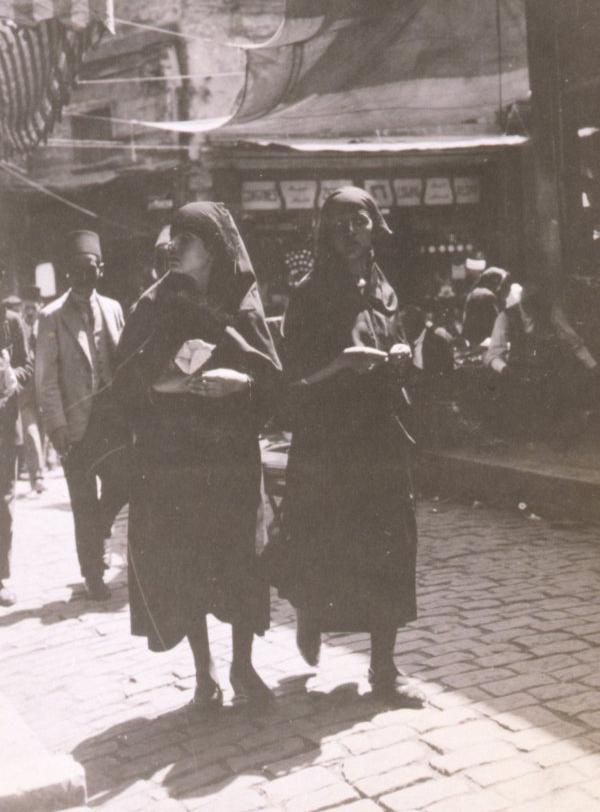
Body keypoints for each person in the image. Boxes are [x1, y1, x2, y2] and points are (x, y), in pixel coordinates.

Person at [112, 202, 281, 712]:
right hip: (175, 462)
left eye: (186, 238)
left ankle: (242, 667)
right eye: (172, 237)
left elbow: (274, 380)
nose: (173, 247)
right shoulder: (154, 304)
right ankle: (204, 672)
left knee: (240, 563)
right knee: (187, 565)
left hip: (230, 459)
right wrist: (168, 384)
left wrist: (242, 383)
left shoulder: (242, 304)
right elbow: (124, 384)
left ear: (213, 247)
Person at [270, 186, 420, 704]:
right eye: (338, 226)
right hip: (330, 442)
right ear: (324, 234)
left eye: (358, 222)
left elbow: (395, 341)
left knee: (390, 544)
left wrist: (399, 353)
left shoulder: (385, 288)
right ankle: (310, 615)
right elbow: (293, 379)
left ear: (375, 224)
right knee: (322, 542)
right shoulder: (310, 294)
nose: (349, 233)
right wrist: (341, 365)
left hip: (379, 436)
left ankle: (384, 669)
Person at [35, 231, 127, 600]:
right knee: (83, 500)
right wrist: (56, 426)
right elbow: (46, 380)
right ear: (66, 274)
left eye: (89, 269)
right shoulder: (51, 317)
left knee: (125, 482)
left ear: (100, 270)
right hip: (77, 426)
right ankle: (93, 574)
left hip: (112, 421)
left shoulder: (114, 308)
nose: (82, 278)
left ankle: (101, 527)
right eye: (75, 271)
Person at [484, 279, 599, 442]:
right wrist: (506, 370)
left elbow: (574, 343)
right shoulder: (506, 317)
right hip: (519, 374)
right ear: (523, 302)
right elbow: (493, 355)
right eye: (530, 305)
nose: (536, 311)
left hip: (549, 373)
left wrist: (593, 366)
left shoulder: (551, 312)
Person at [0, 298, 32, 606]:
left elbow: (28, 364)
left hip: (4, 427)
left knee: (2, 502)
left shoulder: (11, 322)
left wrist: (13, 375)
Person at [18, 285, 46, 494]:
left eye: (33, 308)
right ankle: (38, 476)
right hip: (26, 388)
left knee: (43, 430)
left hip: (46, 386)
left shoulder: (47, 326)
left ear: (40, 307)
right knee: (30, 429)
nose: (29, 313)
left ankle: (38, 472)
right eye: (26, 308)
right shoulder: (18, 329)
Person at [462, 267, 511, 347]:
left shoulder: (476, 292)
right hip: (483, 343)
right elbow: (497, 325)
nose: (503, 287)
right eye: (503, 284)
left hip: (474, 341)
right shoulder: (486, 296)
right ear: (494, 282)